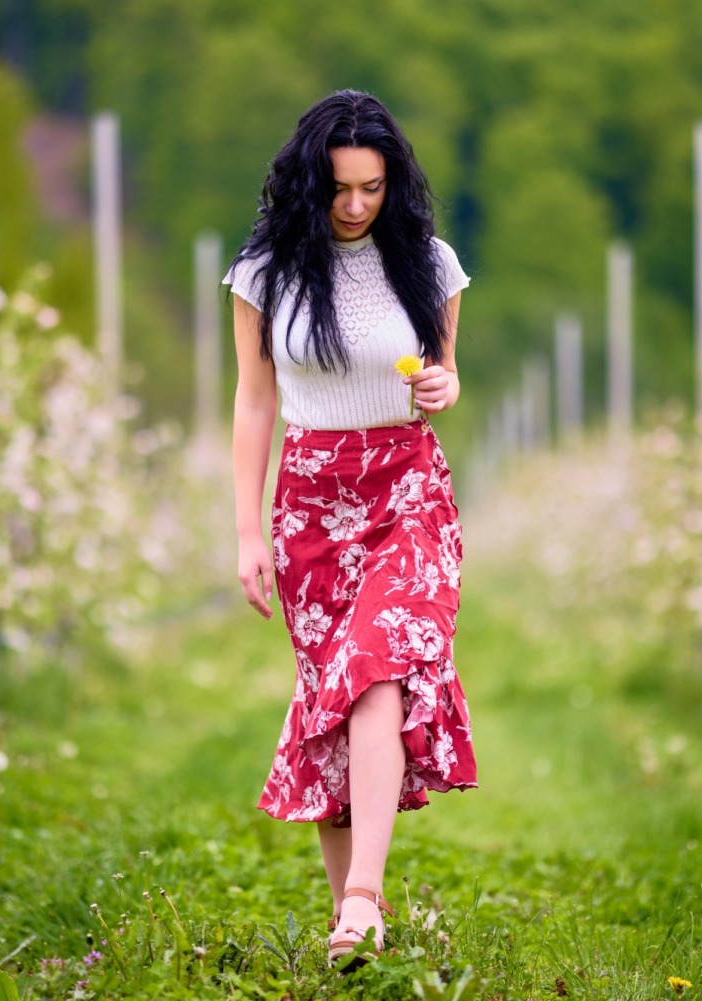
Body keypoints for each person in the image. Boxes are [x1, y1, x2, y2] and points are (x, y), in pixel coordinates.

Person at [226, 89, 477, 966]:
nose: (358, 205)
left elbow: (442, 375)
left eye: (373, 187)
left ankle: (364, 897)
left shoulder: (430, 263)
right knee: (331, 703)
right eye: (341, 189)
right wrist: (249, 531)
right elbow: (254, 402)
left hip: (407, 487)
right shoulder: (265, 272)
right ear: (310, 182)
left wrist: (445, 386)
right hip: (309, 500)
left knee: (376, 673)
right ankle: (352, 927)